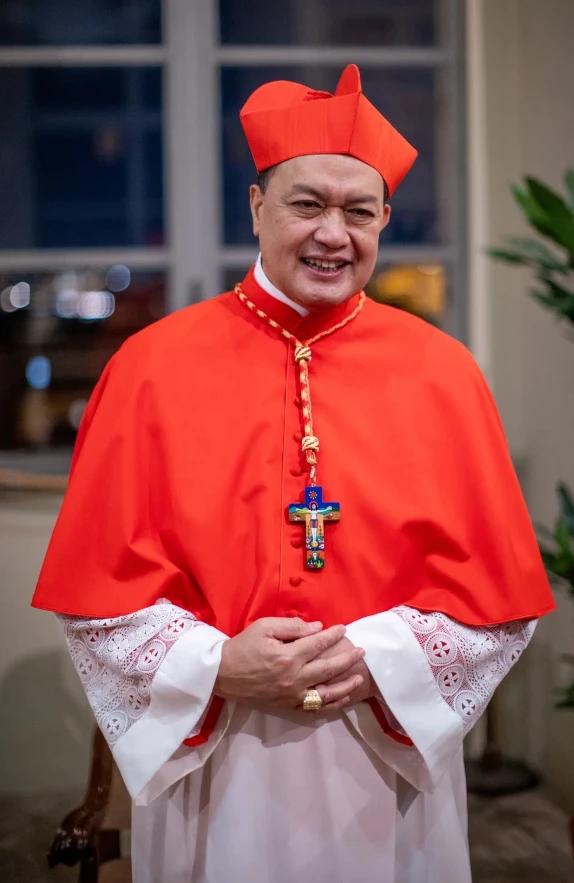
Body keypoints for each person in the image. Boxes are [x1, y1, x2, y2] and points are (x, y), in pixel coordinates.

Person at [32, 64, 554, 883]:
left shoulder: (443, 373)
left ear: (385, 218)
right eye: (308, 203)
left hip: (387, 750)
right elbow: (99, 602)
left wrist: (377, 653)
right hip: (219, 750)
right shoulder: (151, 368)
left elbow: (498, 605)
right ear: (257, 206)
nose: (333, 234)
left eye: (360, 210)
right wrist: (218, 666)